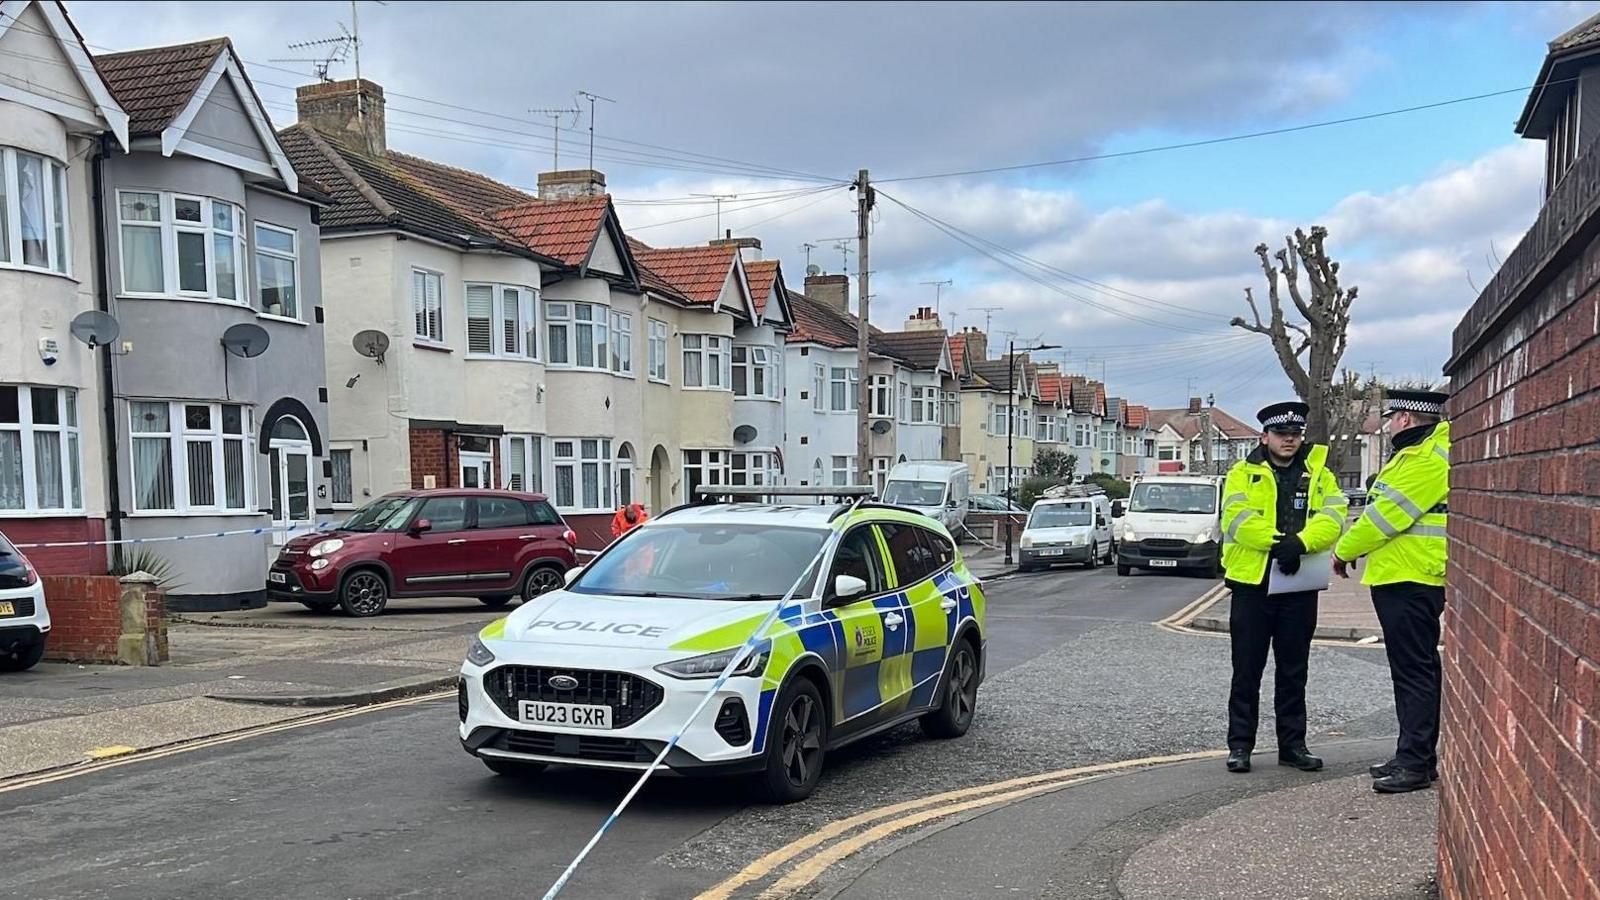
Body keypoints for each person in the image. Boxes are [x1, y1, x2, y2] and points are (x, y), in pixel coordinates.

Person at [1219, 401, 1348, 774]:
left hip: (1299, 583)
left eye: (1295, 435)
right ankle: (1240, 746)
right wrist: (1280, 544)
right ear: (1265, 437)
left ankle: (1293, 745)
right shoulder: (1243, 473)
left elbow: (1334, 515)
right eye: (1281, 434)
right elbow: (1237, 519)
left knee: (1294, 669)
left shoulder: (1319, 474)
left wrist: (1302, 544)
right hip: (1253, 584)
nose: (1289, 440)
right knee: (1247, 669)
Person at [1333, 389, 1450, 794]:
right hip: (1403, 574)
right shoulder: (1416, 455)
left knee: (1414, 672)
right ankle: (1412, 755)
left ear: (1406, 419)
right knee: (1412, 671)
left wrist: (1344, 550)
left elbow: (1382, 517)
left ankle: (1415, 763)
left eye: (1392, 417)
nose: (1388, 424)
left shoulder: (1426, 460)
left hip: (1411, 577)